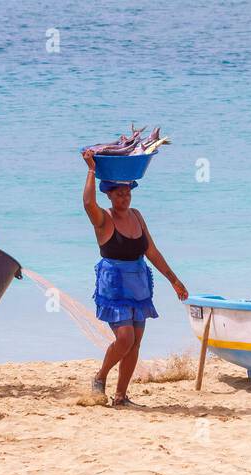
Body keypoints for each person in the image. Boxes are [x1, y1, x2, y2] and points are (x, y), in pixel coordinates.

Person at [81, 149, 187, 407]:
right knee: (125, 338)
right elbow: (87, 204)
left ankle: (120, 396)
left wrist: (174, 279)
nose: (124, 197)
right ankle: (100, 377)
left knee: (136, 342)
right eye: (119, 193)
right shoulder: (103, 218)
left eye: (127, 192)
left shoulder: (137, 215)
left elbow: (151, 250)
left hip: (139, 283)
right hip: (114, 285)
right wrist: (91, 169)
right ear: (109, 193)